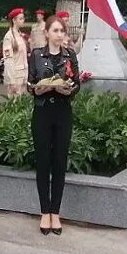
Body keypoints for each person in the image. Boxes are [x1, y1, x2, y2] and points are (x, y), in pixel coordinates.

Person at [28, 16, 79, 235]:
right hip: (42, 112)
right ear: (47, 33)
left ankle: (55, 212)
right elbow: (30, 83)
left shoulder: (70, 55)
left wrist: (68, 89)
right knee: (43, 162)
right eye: (55, 30)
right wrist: (37, 89)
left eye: (62, 31)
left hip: (62, 112)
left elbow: (76, 83)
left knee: (59, 162)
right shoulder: (37, 55)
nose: (59, 34)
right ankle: (44, 212)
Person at [2, 8, 28, 98]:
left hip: (22, 75)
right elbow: (8, 60)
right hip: (15, 76)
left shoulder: (20, 35)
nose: (23, 21)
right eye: (20, 19)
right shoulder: (9, 37)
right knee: (15, 104)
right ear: (14, 20)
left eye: (23, 18)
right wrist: (12, 81)